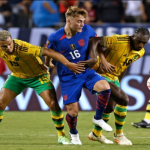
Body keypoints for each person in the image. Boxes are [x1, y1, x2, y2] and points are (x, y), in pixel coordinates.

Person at [0, 30, 84, 145]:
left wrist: (68, 64)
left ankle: (61, 136)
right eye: (4, 46)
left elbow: (49, 52)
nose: (9, 48)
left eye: (10, 44)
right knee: (0, 103)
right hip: (17, 77)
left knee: (53, 104)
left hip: (38, 77)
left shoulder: (24, 48)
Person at [46, 6, 113, 145]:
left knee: (105, 87)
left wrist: (103, 60)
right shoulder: (55, 37)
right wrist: (48, 63)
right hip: (68, 76)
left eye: (83, 21)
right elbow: (48, 51)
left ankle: (98, 118)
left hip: (86, 71)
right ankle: (74, 134)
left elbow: (97, 44)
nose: (82, 24)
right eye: (79, 21)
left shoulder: (87, 30)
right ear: (69, 21)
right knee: (73, 112)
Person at [85, 28, 150, 145]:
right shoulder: (119, 40)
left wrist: (118, 84)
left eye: (144, 42)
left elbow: (124, 66)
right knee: (123, 99)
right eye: (139, 41)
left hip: (113, 77)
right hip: (100, 74)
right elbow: (94, 41)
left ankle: (95, 134)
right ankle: (119, 135)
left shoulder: (141, 52)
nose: (141, 45)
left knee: (109, 108)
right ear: (133, 37)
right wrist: (98, 59)